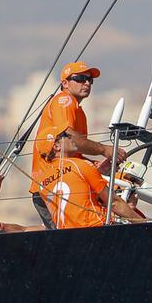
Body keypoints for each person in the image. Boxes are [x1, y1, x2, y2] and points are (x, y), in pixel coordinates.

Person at [29, 61, 127, 227]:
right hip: (54, 183)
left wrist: (95, 165)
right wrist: (104, 150)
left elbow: (72, 151)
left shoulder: (79, 111)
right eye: (80, 78)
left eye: (90, 80)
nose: (87, 83)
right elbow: (69, 136)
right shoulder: (64, 100)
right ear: (65, 83)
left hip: (61, 180)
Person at [35, 124, 143, 228]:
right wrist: (145, 224)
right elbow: (114, 203)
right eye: (66, 135)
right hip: (97, 228)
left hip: (69, 237)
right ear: (56, 146)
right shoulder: (80, 165)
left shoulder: (42, 182)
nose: (71, 137)